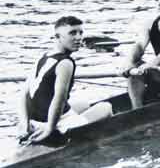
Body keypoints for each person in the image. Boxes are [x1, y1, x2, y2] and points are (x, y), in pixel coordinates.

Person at [17, 16, 112, 144]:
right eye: (72, 33)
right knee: (106, 107)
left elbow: (25, 93)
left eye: (80, 32)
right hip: (53, 125)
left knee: (85, 104)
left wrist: (25, 123)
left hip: (33, 122)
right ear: (58, 37)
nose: (78, 38)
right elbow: (59, 99)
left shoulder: (44, 55)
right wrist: (49, 129)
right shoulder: (66, 63)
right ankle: (101, 141)